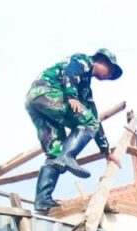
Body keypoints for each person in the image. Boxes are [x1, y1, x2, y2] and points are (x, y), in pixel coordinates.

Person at [26, 48, 124, 214]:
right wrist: (72, 96)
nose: (109, 76)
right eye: (110, 71)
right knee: (88, 123)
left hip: (34, 101)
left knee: (54, 152)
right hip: (48, 92)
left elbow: (94, 119)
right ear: (102, 61)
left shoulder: (85, 90)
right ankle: (68, 156)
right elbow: (70, 72)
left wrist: (105, 151)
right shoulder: (83, 61)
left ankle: (43, 199)